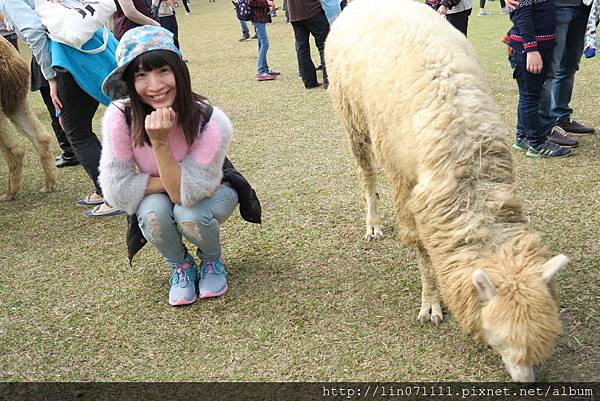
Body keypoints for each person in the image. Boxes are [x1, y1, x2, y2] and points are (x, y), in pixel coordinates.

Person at [99, 26, 261, 305]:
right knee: (153, 213)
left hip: (215, 191)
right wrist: (177, 181)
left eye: (162, 70)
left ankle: (211, 260)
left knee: (189, 212)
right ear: (129, 82)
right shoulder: (119, 117)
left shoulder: (211, 120)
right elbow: (115, 191)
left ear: (179, 71)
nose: (155, 86)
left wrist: (159, 143)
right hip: (170, 193)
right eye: (141, 75)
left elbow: (185, 196)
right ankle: (181, 266)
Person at [1, 0, 125, 216]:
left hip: (67, 57)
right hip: (96, 46)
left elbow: (32, 31)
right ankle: (107, 187)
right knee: (93, 122)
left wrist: (50, 77)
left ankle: (112, 195)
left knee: (76, 131)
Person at [506, 0, 595, 142]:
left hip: (585, 7)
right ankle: (544, 127)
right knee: (548, 71)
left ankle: (561, 116)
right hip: (556, 7)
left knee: (570, 66)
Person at [508, 0, 572, 157]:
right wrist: (531, 49)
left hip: (540, 47)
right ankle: (537, 143)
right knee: (530, 97)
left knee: (528, 95)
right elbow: (523, 15)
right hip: (530, 51)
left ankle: (523, 136)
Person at [286, 0, 329, 89]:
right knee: (324, 45)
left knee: (302, 48)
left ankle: (309, 81)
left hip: (294, 13)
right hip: (312, 10)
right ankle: (328, 79)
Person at [248, 0, 280, 80]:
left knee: (261, 44)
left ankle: (264, 69)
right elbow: (251, 2)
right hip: (258, 18)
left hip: (260, 18)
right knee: (265, 44)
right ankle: (261, 71)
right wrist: (266, 2)